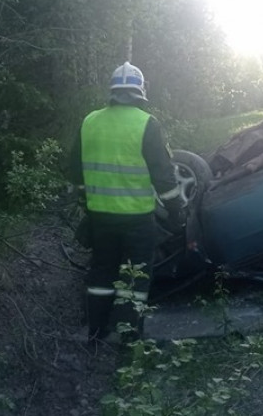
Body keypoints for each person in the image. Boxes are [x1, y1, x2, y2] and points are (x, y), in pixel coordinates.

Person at [73, 61, 186, 343]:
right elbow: (163, 176)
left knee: (101, 273)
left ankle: (96, 333)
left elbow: (75, 170)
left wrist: (85, 199)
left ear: (113, 91)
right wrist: (176, 211)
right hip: (137, 219)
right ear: (140, 93)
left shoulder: (89, 121)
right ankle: (129, 336)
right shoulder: (146, 124)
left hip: (100, 218)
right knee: (136, 278)